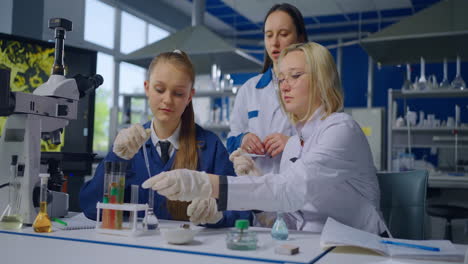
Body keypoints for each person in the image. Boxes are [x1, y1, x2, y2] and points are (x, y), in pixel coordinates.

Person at [142, 43, 388, 234]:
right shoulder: (294, 146)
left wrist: (206, 184)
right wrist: (232, 203)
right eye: (281, 79)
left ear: (322, 78)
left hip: (357, 248)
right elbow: (287, 216)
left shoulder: (341, 129)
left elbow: (290, 190)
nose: (284, 86)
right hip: (310, 246)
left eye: (295, 76)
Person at [80, 50, 251, 227]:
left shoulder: (210, 146)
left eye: (178, 93)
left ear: (190, 96)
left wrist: (219, 215)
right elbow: (91, 208)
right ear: (147, 88)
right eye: (159, 89)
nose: (167, 100)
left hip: (193, 251)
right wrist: (116, 158)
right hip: (135, 249)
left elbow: (243, 211)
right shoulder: (128, 145)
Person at [227, 3, 308, 174]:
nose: (275, 42)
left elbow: (328, 141)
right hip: (256, 185)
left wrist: (291, 143)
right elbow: (231, 139)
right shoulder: (249, 89)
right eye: (269, 35)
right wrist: (243, 139)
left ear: (300, 38)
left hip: (298, 185)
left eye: (283, 34)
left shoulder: (313, 86)